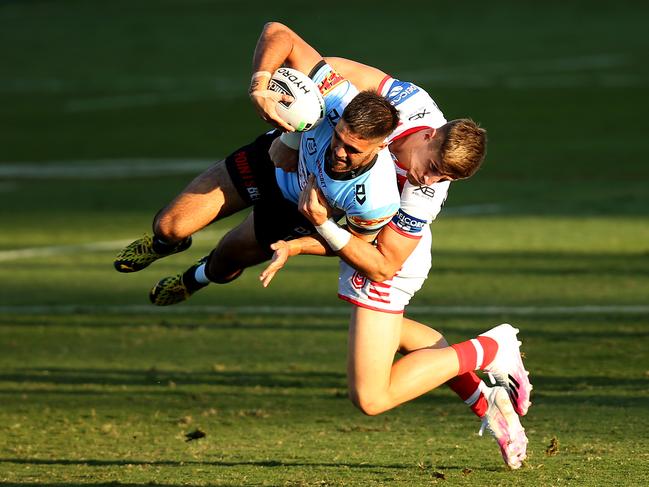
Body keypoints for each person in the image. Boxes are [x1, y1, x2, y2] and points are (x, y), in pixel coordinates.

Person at [113, 22, 530, 468]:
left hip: (333, 221)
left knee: (233, 258)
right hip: (282, 169)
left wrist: (308, 235)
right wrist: (284, 104)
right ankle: (164, 244)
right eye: (431, 168)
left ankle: (195, 278)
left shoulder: (404, 197)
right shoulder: (396, 105)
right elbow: (308, 54)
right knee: (173, 225)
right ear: (429, 134)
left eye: (443, 178)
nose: (430, 180)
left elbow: (380, 261)